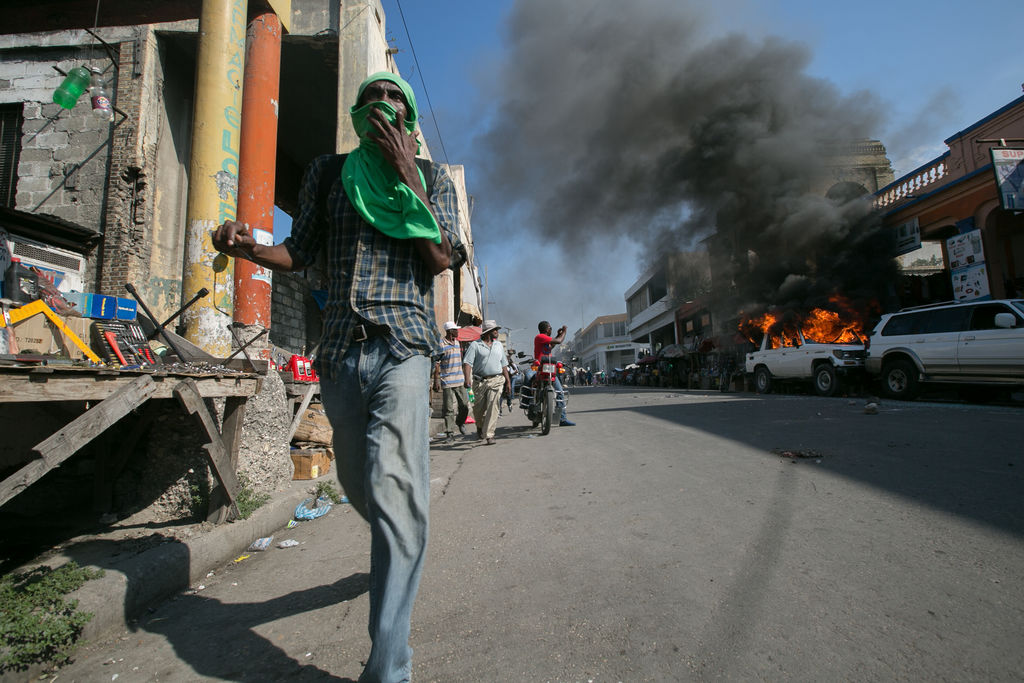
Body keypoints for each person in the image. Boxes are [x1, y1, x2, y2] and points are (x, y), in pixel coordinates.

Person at [212, 71, 462, 683]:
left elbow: (443, 258)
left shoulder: (429, 179)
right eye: (371, 100)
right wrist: (248, 248)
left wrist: (408, 175)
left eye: (393, 103)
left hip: (403, 347)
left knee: (400, 499)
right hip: (341, 353)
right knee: (361, 486)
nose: (382, 108)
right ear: (356, 113)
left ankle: (388, 668)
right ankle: (397, 548)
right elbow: (302, 252)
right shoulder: (327, 172)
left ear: (407, 121)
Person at [462, 319, 510, 445]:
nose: (497, 332)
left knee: (493, 406)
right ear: (488, 332)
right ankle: (479, 426)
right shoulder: (475, 345)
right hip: (479, 382)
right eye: (495, 330)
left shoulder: (498, 345)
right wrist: (467, 379)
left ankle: (490, 434)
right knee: (478, 409)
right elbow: (467, 363)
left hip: (497, 380)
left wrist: (508, 382)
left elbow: (504, 364)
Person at [533, 320, 575, 426]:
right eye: (550, 328)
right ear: (547, 329)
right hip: (541, 368)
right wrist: (564, 332)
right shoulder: (540, 337)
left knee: (560, 392)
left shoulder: (545, 340)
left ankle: (562, 418)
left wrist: (558, 334)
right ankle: (532, 410)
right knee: (531, 384)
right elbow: (559, 341)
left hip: (550, 369)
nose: (551, 330)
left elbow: (551, 346)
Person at [432, 321, 469, 442]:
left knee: (464, 405)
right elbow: (437, 364)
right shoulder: (441, 345)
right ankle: (449, 432)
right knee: (448, 408)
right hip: (447, 380)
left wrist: (466, 378)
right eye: (456, 330)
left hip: (459, 380)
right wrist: (436, 381)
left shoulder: (458, 343)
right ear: (449, 331)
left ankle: (460, 422)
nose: (458, 332)